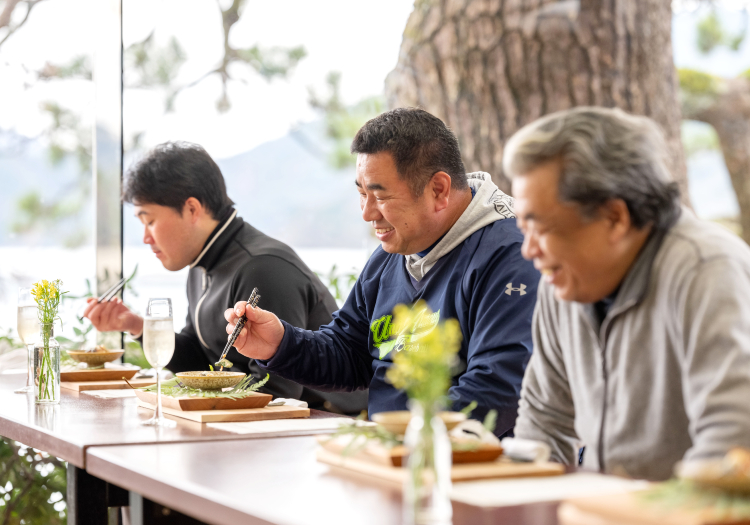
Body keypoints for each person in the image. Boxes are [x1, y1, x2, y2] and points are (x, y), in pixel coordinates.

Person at [223, 108, 540, 436]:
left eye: (380, 196)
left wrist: (398, 441)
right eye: (361, 194)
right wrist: (281, 344)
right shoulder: (394, 251)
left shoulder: (514, 255)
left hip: (473, 468)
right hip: (393, 456)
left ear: (439, 190)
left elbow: (497, 390)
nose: (367, 213)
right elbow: (351, 352)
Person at [505, 106, 750, 480]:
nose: (529, 250)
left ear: (615, 217)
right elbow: (543, 425)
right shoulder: (565, 283)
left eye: (540, 227)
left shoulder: (706, 270)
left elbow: (732, 445)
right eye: (523, 227)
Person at [82, 141, 368, 414]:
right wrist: (135, 325)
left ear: (192, 209)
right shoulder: (201, 263)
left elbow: (276, 391)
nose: (146, 237)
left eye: (150, 221)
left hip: (324, 425)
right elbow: (199, 358)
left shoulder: (262, 267)